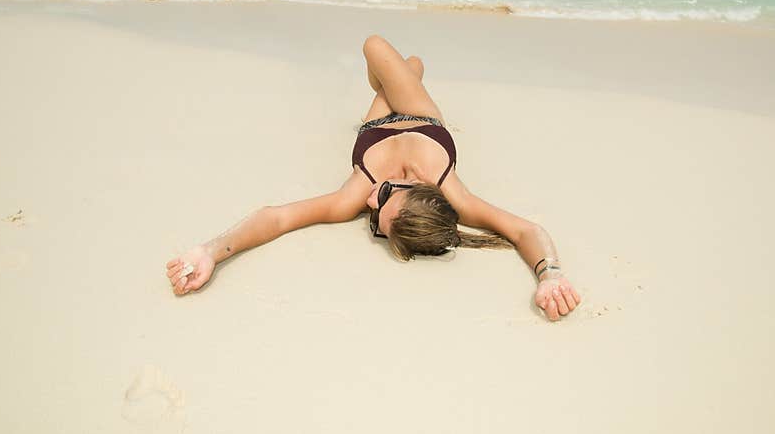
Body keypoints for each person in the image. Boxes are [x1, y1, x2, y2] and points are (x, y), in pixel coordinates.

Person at [165, 35, 581, 321]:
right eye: (384, 199)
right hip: (420, 116)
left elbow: (278, 218)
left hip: (376, 126)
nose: (367, 203)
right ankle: (408, 76)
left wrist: (210, 252)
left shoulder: (356, 194)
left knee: (403, 62)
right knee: (379, 48)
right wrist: (551, 274)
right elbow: (527, 230)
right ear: (417, 187)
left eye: (374, 222)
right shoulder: (454, 192)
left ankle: (407, 74)